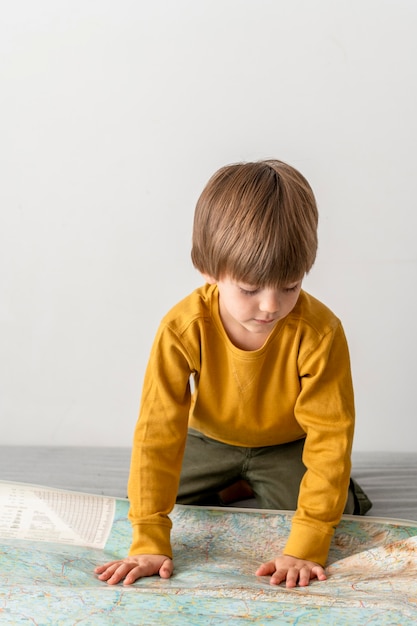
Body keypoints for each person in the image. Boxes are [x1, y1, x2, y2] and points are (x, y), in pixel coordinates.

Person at [95, 159, 371, 588]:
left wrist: (303, 548)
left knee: (339, 513)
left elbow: (331, 438)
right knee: (144, 495)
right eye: (249, 289)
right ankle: (235, 482)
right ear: (208, 269)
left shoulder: (320, 332)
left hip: (286, 444)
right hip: (209, 440)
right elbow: (157, 432)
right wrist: (149, 539)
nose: (271, 306)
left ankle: (250, 480)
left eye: (290, 285)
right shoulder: (182, 327)